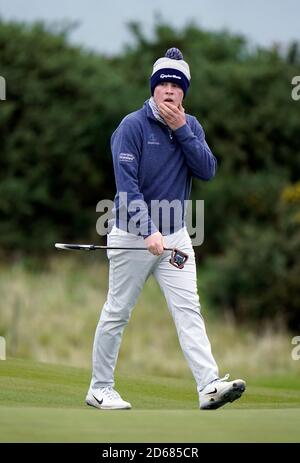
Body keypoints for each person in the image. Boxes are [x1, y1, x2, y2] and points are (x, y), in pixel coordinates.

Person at [86, 48, 246, 410]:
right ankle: (99, 388)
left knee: (189, 310)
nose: (170, 90)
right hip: (132, 235)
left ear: (184, 93)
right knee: (117, 311)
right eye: (164, 84)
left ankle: (208, 385)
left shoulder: (192, 127)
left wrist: (182, 130)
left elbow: (207, 170)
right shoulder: (131, 127)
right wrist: (148, 231)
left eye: (177, 84)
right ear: (154, 89)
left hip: (175, 238)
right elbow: (127, 191)